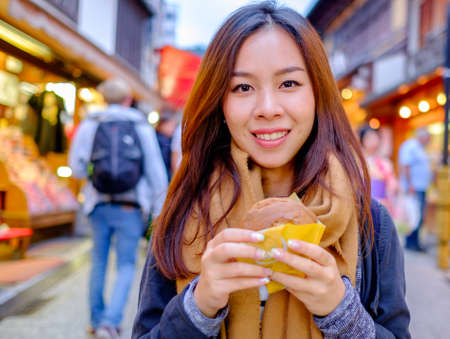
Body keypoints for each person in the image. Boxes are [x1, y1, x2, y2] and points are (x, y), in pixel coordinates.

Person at [132, 2, 410, 338]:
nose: (267, 109)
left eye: (289, 83)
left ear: (317, 94)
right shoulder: (182, 216)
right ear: (220, 102)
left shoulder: (371, 224)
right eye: (243, 88)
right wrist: (199, 305)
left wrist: (341, 312)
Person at [69, 78, 167, 339]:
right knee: (125, 264)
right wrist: (159, 208)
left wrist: (94, 176)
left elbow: (77, 167)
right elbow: (155, 171)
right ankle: (111, 323)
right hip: (131, 206)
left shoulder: (90, 124)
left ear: (103, 98)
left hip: (98, 204)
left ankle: (95, 320)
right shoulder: (139, 125)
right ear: (128, 99)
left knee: (99, 261)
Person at [398, 127, 432, 252]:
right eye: (428, 138)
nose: (429, 140)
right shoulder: (410, 146)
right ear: (422, 136)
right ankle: (411, 242)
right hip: (414, 187)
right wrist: (410, 185)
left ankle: (415, 241)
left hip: (420, 187)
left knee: (418, 215)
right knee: (413, 215)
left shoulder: (420, 148)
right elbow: (405, 166)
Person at [359, 125, 397, 213]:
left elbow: (392, 184)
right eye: (369, 138)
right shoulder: (357, 162)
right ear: (362, 140)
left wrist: (391, 195)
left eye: (375, 138)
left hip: (382, 205)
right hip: (362, 205)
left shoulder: (385, 163)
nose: (373, 142)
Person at [155, 108, 178, 181]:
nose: (173, 129)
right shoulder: (160, 140)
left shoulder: (169, 139)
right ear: (162, 124)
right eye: (171, 125)